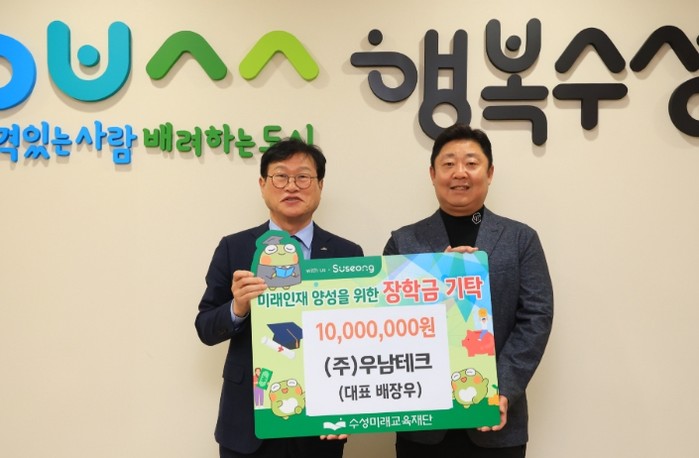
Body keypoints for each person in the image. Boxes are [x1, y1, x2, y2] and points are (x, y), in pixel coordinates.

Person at [384, 124, 553, 458]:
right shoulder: (403, 242)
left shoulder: (521, 239)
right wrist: (436, 280)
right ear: (432, 174)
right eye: (448, 163)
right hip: (424, 421)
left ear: (489, 173)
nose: (459, 172)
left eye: (471, 163)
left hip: (496, 420)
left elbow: (536, 317)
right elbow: (387, 322)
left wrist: (503, 388)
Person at [195, 138, 363, 458]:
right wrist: (238, 307)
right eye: (281, 176)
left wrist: (350, 407)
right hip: (247, 422)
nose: (292, 186)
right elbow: (205, 327)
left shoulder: (346, 253)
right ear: (262, 185)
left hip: (321, 420)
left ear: (320, 185)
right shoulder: (234, 247)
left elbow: (359, 336)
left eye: (303, 177)